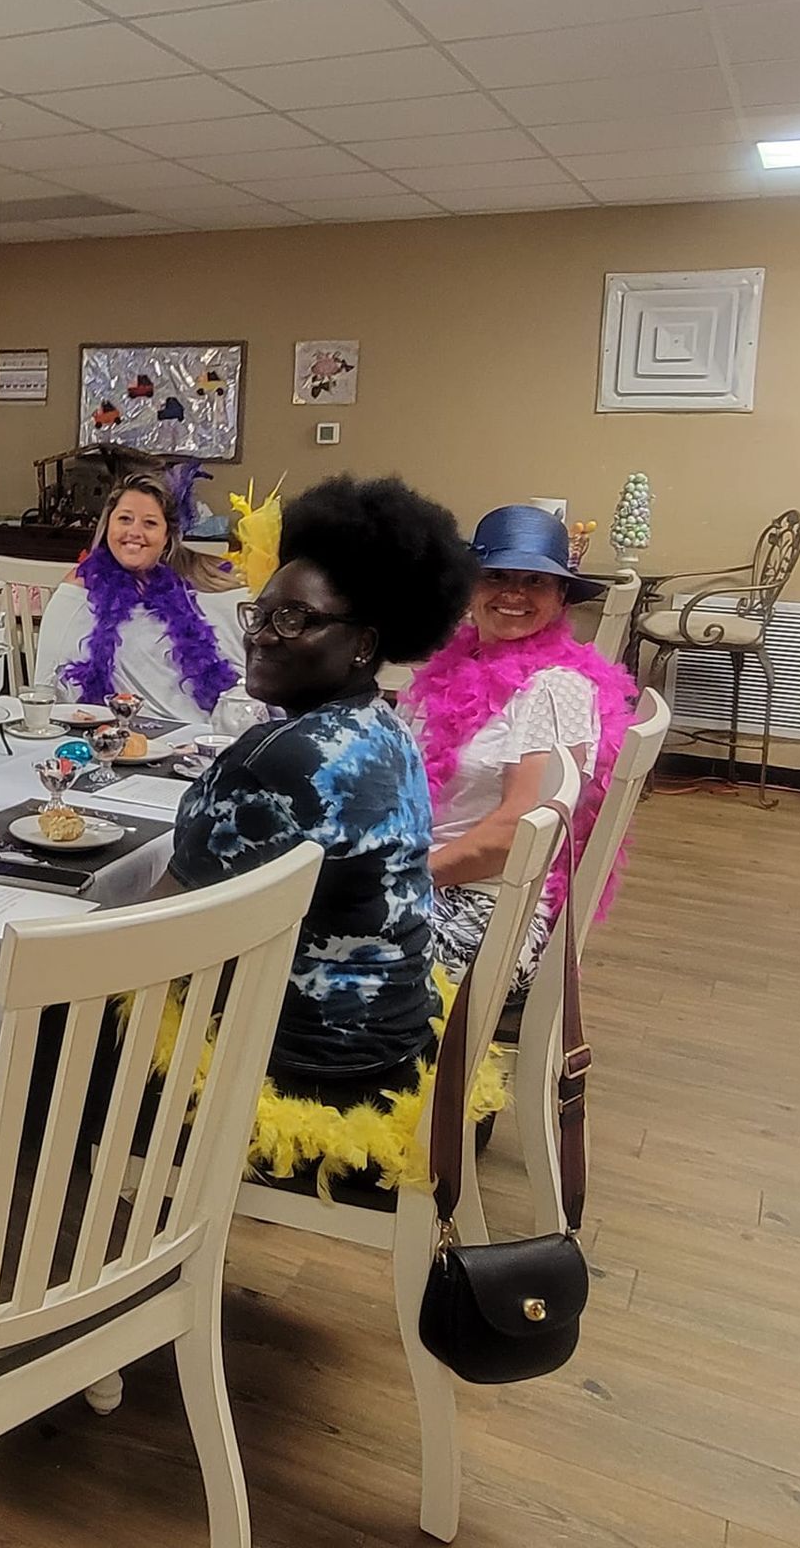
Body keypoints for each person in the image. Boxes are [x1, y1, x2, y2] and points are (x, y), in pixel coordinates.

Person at [163, 476, 479, 1179]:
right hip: (398, 1050)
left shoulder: (273, 759)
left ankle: (90, 1235)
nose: (262, 637)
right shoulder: (384, 729)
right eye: (260, 614)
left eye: (294, 620)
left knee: (49, 1020)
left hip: (306, 1086)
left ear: (364, 643)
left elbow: (149, 935)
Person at [402, 504, 636, 990]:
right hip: (434, 882)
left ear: (562, 596)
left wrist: (400, 878)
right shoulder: (455, 667)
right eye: (496, 576)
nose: (513, 594)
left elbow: (516, 835)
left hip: (494, 913)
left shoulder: (555, 690)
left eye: (535, 581)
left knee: (298, 950)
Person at [32, 473, 246, 724]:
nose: (134, 531)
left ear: (166, 537)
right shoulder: (79, 589)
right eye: (124, 519)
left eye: (150, 523)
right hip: (106, 732)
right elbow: (45, 685)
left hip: (188, 734)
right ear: (107, 526)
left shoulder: (198, 591)